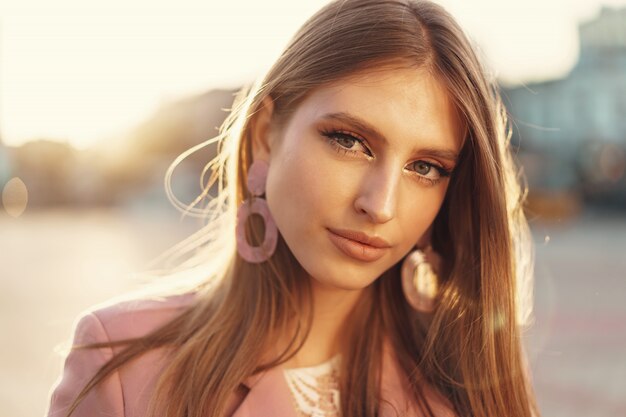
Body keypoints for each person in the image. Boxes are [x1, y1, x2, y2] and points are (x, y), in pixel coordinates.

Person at [46, 0, 540, 416]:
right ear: (265, 135)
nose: (381, 205)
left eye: (426, 167)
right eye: (349, 141)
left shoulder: (468, 375)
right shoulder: (123, 364)